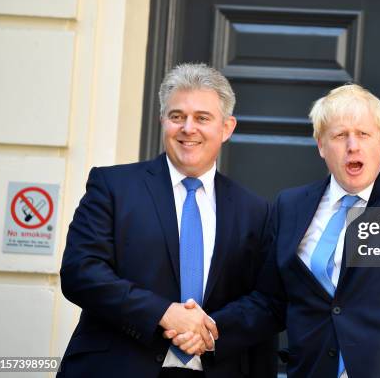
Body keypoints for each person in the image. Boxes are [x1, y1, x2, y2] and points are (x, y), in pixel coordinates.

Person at [167, 0, 380, 377]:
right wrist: (209, 330)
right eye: (339, 134)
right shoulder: (291, 206)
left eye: (364, 133)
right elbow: (271, 302)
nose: (352, 145)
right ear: (320, 145)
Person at [58, 64, 277, 378]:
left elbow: (266, 300)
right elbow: (81, 272)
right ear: (163, 120)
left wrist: (210, 333)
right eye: (177, 116)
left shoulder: (255, 210)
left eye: (202, 118)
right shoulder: (113, 187)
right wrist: (163, 313)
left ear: (227, 128)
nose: (188, 128)